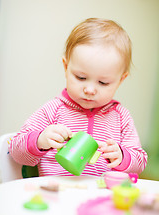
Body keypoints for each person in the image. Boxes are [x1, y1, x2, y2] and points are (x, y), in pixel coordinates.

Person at [9, 18, 147, 176]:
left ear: (120, 80)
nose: (89, 89)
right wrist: (40, 140)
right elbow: (15, 151)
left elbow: (140, 162)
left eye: (103, 82)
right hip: (56, 193)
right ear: (66, 67)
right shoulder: (53, 110)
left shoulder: (121, 118)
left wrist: (122, 157)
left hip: (102, 195)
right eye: (81, 78)